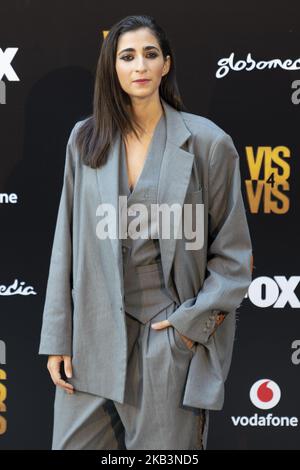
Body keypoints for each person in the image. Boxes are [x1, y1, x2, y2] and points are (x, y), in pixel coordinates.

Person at [38, 14, 253, 450]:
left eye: (150, 55)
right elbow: (67, 244)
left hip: (166, 343)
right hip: (91, 344)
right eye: (128, 56)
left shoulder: (208, 143)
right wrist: (59, 337)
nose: (140, 66)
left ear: (166, 65)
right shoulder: (85, 140)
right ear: (112, 67)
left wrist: (189, 328)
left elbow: (234, 257)